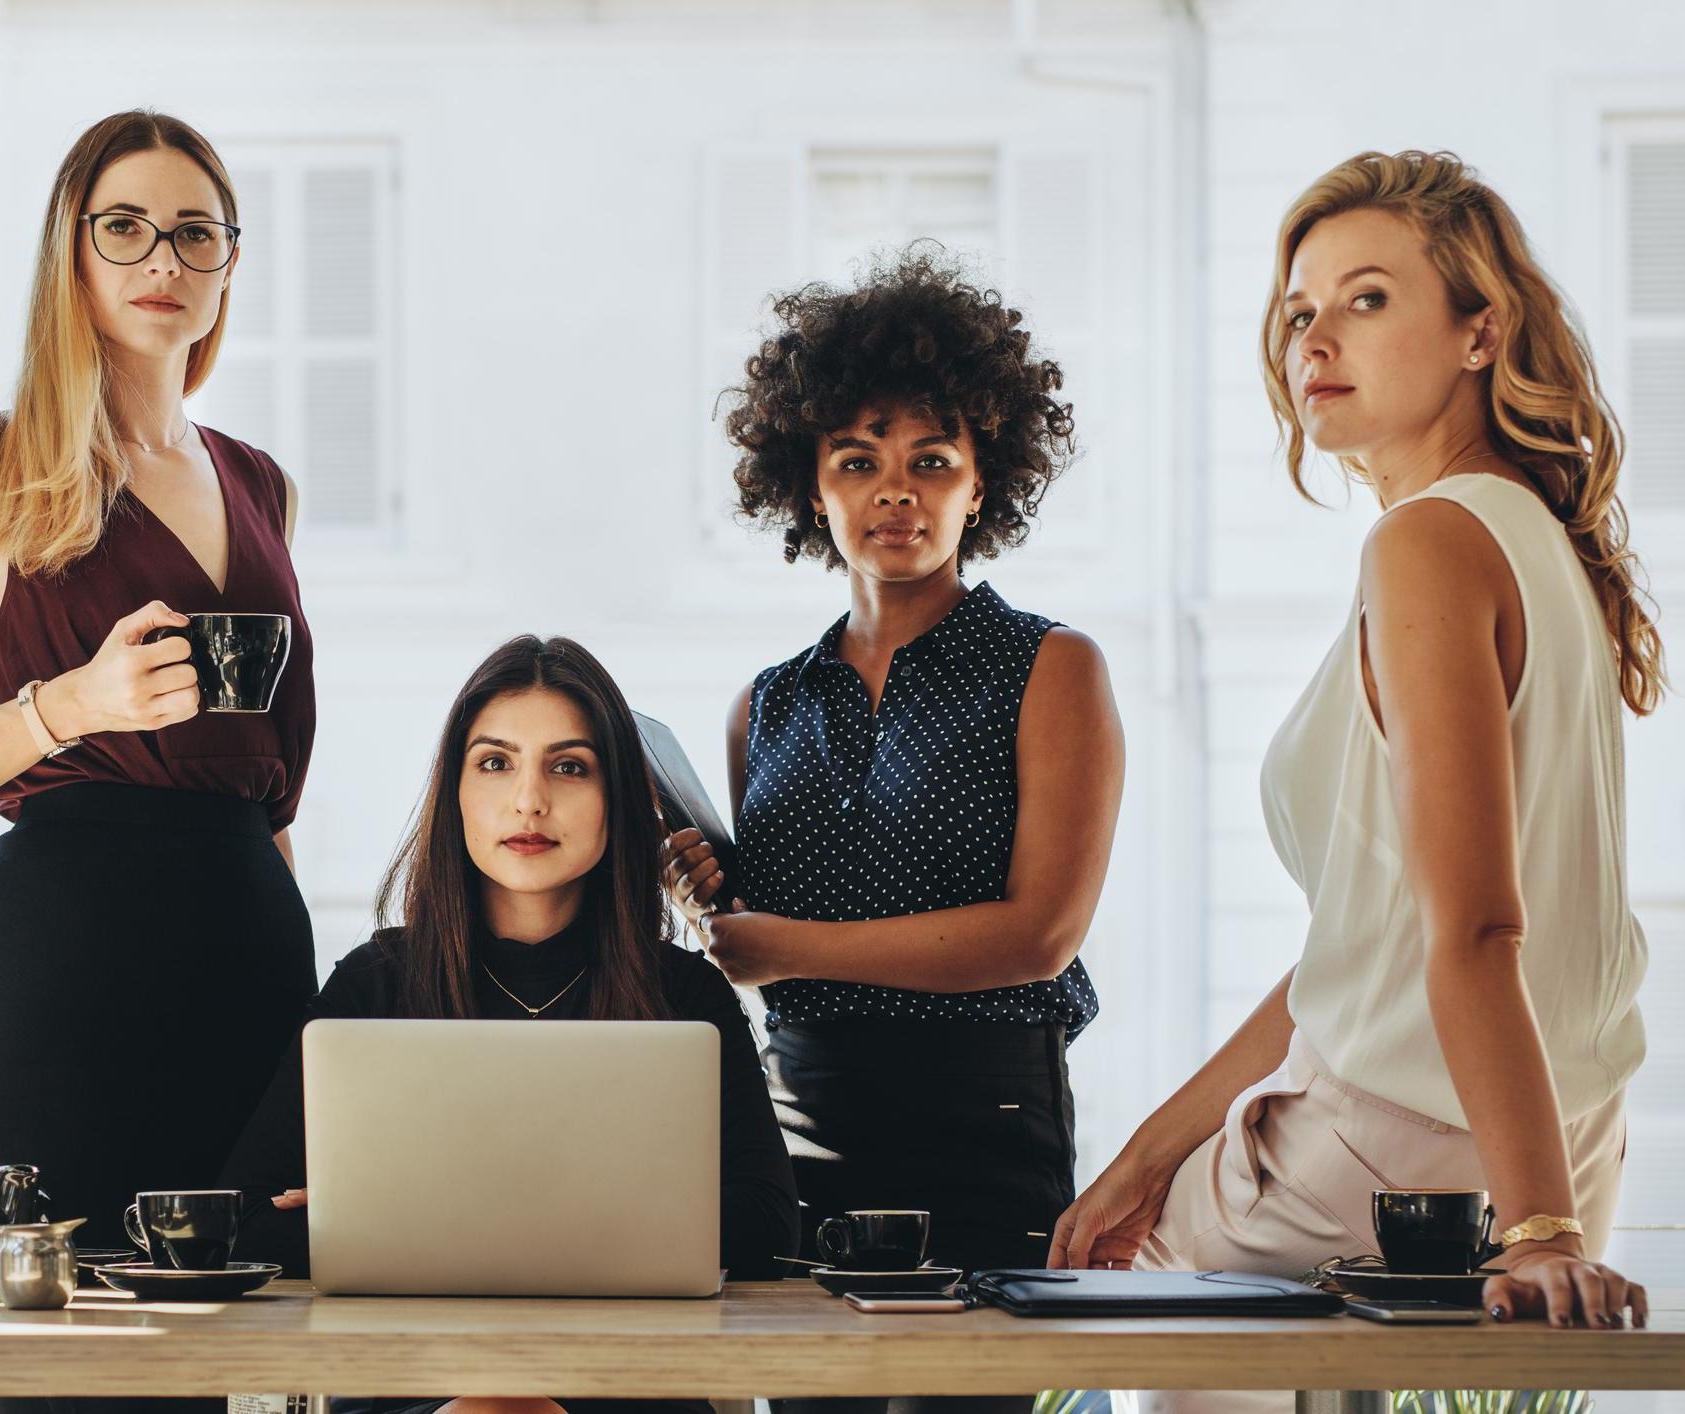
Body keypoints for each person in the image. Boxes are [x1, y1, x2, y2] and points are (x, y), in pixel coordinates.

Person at [1052, 152, 1658, 1405]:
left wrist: (1537, 1230)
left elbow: (1477, 925)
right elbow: (1367, 950)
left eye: (1367, 299)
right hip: (1537, 1121)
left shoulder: (1428, 542)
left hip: (1397, 1139)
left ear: (1479, 328)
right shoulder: (1534, 541)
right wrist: (1147, 1154)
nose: (1315, 337)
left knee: (1129, 1323)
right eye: (1297, 311)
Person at [0, 110, 317, 1271]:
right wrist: (68, 709)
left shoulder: (263, 484)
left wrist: (311, 1000)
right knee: (70, 1354)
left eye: (196, 233)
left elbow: (269, 797)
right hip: (69, 969)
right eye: (128, 228)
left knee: (252, 1358)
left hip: (251, 961)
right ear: (73, 252)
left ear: (230, 263)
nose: (164, 260)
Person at [666, 249, 1125, 1414]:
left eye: (932, 461)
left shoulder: (1051, 668)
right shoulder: (765, 702)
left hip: (986, 1125)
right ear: (807, 486)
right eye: (857, 461)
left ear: (985, 482)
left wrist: (786, 948)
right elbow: (756, 937)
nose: (895, 491)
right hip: (803, 1125)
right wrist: (712, 896)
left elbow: (1039, 935)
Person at [223, 634, 800, 1414]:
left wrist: (398, 1219)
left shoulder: (682, 991)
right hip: (415, 1376)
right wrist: (613, 1223)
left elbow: (766, 1229)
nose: (529, 800)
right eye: (495, 762)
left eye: (569, 766)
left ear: (616, 797)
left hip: (627, 1377)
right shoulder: (377, 982)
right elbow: (245, 1223)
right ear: (454, 791)